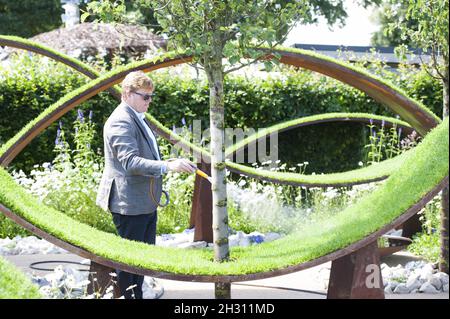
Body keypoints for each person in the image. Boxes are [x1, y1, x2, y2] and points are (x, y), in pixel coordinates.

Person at [96, 71, 196, 299]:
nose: (149, 101)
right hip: (128, 202)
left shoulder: (135, 116)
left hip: (143, 201)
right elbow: (130, 162)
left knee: (142, 259)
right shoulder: (121, 120)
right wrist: (167, 166)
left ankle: (136, 295)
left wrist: (167, 163)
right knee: (130, 261)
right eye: (145, 97)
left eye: (151, 96)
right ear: (127, 94)